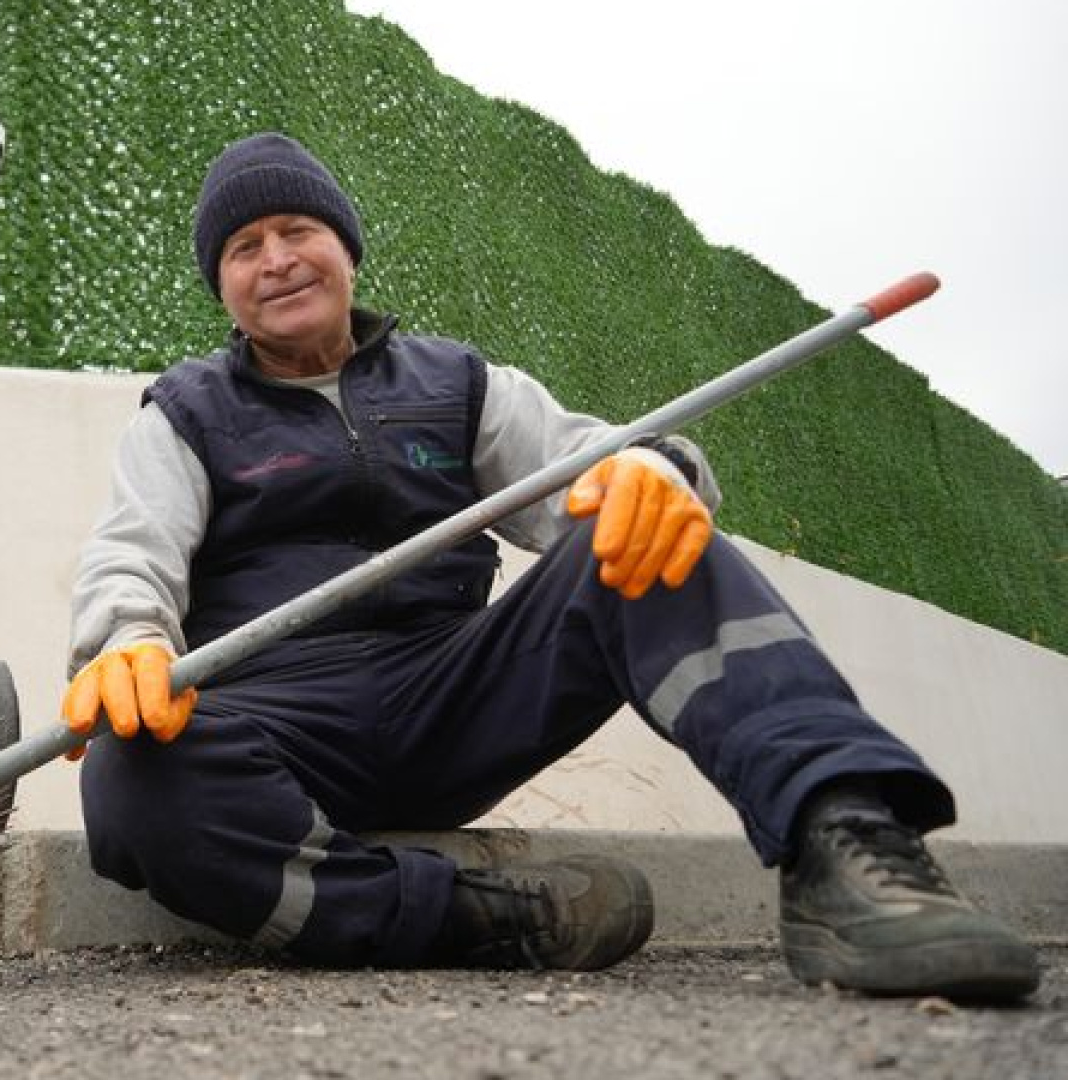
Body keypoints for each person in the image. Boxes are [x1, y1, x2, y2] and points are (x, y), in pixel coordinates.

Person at [62, 132, 1040, 999]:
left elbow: (590, 463)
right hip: (278, 724)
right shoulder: (184, 413)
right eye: (244, 248)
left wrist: (656, 468)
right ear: (222, 284)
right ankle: (473, 917)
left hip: (455, 701)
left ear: (344, 247)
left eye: (296, 230)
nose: (276, 261)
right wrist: (125, 643)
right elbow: (131, 554)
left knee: (649, 535)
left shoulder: (462, 384)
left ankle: (846, 845)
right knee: (128, 776)